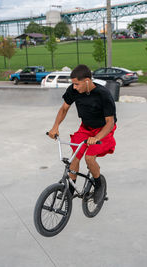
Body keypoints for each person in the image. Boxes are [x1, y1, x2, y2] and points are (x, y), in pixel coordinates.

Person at [47, 64, 117, 204]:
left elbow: (110, 122)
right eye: (73, 84)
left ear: (86, 81)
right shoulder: (74, 90)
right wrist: (55, 127)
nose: (74, 87)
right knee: (75, 157)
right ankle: (70, 191)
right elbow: (64, 109)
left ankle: (99, 186)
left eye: (76, 84)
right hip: (85, 128)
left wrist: (97, 138)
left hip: (103, 130)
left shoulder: (103, 94)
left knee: (89, 158)